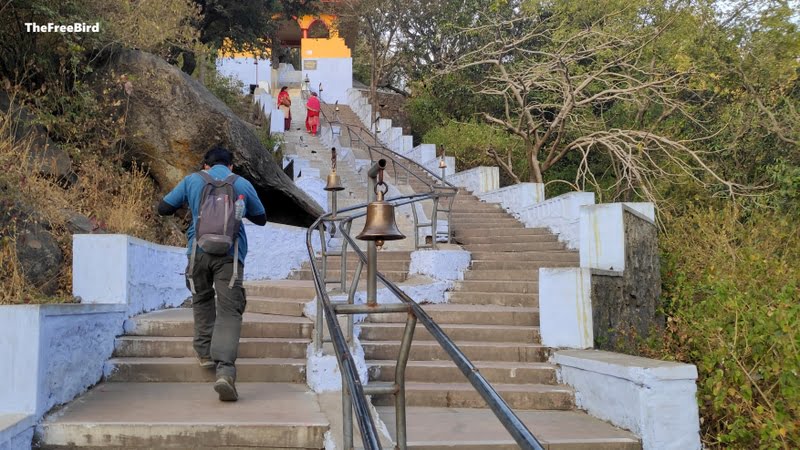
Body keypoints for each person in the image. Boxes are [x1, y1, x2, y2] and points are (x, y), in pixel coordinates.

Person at [157, 146, 267, 402]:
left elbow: (163, 207)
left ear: (205, 165)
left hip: (197, 254)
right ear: (231, 166)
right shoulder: (241, 183)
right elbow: (261, 218)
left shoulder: (193, 180)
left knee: (202, 299)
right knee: (229, 311)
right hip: (230, 256)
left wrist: (190, 207)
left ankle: (205, 354)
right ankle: (225, 372)